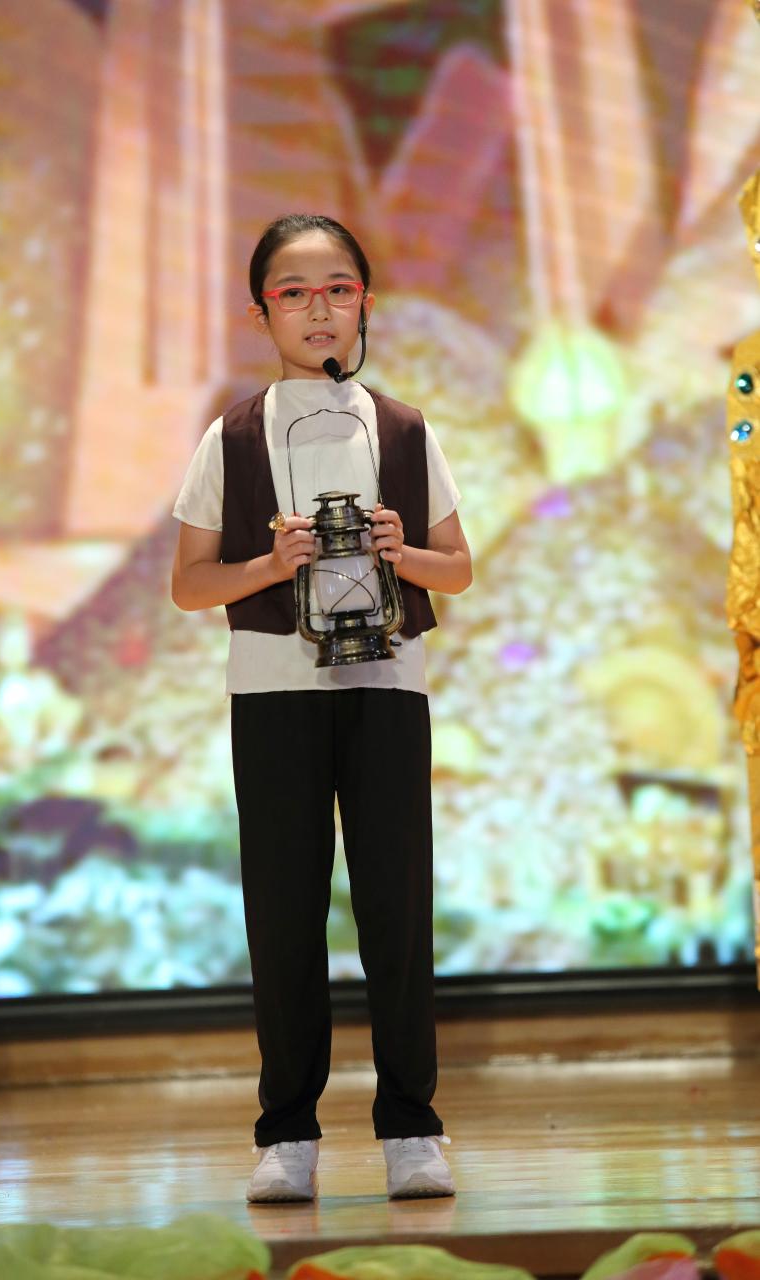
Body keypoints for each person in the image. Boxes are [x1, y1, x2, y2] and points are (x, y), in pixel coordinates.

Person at [171, 213, 471, 1203]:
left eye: (338, 288)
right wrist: (270, 564)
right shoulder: (232, 435)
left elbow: (457, 567)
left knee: (397, 908)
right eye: (294, 292)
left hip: (386, 690)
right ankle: (286, 1132)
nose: (318, 310)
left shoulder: (404, 427)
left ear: (365, 304)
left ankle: (411, 1127)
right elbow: (188, 583)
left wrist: (397, 549)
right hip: (273, 691)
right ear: (259, 312)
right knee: (284, 912)